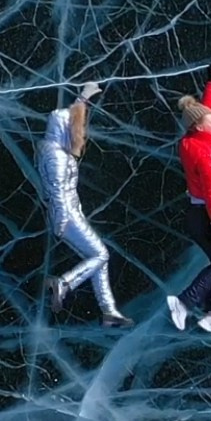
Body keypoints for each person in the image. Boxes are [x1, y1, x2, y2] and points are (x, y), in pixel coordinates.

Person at [39, 81, 134, 326]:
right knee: (101, 254)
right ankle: (64, 283)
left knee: (97, 258)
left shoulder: (59, 151)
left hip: (71, 213)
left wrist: (83, 98)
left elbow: (74, 116)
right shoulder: (55, 156)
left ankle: (108, 311)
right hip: (66, 216)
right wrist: (62, 222)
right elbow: (58, 191)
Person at [168, 64, 211, 342]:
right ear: (200, 127)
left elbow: (204, 112)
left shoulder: (195, 137)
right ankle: (185, 303)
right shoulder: (206, 152)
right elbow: (210, 190)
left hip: (200, 212)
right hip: (207, 213)